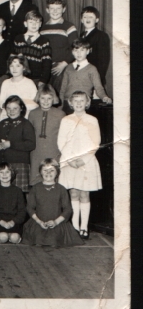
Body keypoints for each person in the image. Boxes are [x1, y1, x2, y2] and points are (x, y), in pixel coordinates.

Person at [58, 91, 103, 240]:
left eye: (82, 100)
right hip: (69, 161)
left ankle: (84, 227)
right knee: (73, 193)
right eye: (75, 101)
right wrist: (69, 159)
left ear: (87, 102)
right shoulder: (66, 120)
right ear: (70, 103)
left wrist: (84, 159)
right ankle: (75, 227)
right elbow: (61, 141)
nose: (78, 103)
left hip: (86, 162)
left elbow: (95, 142)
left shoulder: (92, 120)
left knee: (84, 194)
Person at [22, 159, 84, 247]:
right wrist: (39, 222)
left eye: (52, 170)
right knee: (38, 239)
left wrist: (56, 222)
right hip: (38, 222)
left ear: (57, 172)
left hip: (58, 222)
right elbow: (30, 208)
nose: (48, 173)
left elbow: (67, 209)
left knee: (54, 239)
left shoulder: (61, 189)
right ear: (40, 172)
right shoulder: (35, 188)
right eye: (45, 170)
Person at [0, 96, 36, 193]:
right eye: (8, 108)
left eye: (15, 108)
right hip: (2, 164)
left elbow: (31, 144)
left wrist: (11, 144)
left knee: (18, 194)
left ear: (21, 108)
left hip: (19, 165)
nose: (11, 111)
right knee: (2, 193)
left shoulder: (25, 124)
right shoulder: (2, 123)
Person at [60, 39, 112, 112]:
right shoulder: (68, 68)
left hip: (83, 103)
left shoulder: (92, 69)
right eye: (76, 50)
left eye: (82, 50)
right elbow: (62, 89)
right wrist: (61, 105)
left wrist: (104, 97)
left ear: (87, 51)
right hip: (68, 103)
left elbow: (99, 88)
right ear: (72, 52)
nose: (79, 53)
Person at [28, 85, 65, 186]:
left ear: (54, 99)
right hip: (36, 152)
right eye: (43, 98)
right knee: (37, 180)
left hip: (54, 150)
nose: (46, 101)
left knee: (53, 178)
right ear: (38, 98)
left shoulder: (60, 114)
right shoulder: (32, 114)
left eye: (49, 98)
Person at [41, 0, 78, 94]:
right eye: (52, 8)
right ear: (47, 10)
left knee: (58, 95)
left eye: (58, 8)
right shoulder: (42, 28)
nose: (55, 11)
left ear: (63, 9)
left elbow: (75, 48)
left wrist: (64, 64)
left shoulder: (69, 27)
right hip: (45, 67)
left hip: (62, 67)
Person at [0, 162, 26, 244]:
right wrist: (1, 222)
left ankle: (11, 236)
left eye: (7, 172)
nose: (4, 175)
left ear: (12, 174)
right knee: (3, 237)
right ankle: (3, 236)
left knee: (15, 238)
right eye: (1, 172)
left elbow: (22, 211)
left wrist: (13, 222)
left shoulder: (18, 191)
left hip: (14, 222)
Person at [12, 10, 52, 87]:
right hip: (20, 77)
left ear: (40, 24)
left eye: (36, 22)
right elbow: (13, 60)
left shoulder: (44, 41)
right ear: (25, 24)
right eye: (31, 22)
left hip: (36, 79)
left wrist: (43, 80)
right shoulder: (18, 39)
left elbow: (47, 63)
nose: (34, 24)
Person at [0, 54, 39, 121]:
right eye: (11, 66)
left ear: (24, 67)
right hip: (8, 115)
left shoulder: (29, 83)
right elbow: (0, 101)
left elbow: (35, 103)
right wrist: (7, 105)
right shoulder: (5, 83)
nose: (14, 69)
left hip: (25, 117)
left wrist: (20, 105)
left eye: (18, 66)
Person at [79, 6, 110, 86]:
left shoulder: (101, 35)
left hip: (94, 78)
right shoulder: (81, 36)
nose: (88, 19)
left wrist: (97, 81)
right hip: (82, 76)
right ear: (81, 20)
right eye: (85, 17)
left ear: (97, 20)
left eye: (91, 17)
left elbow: (103, 61)